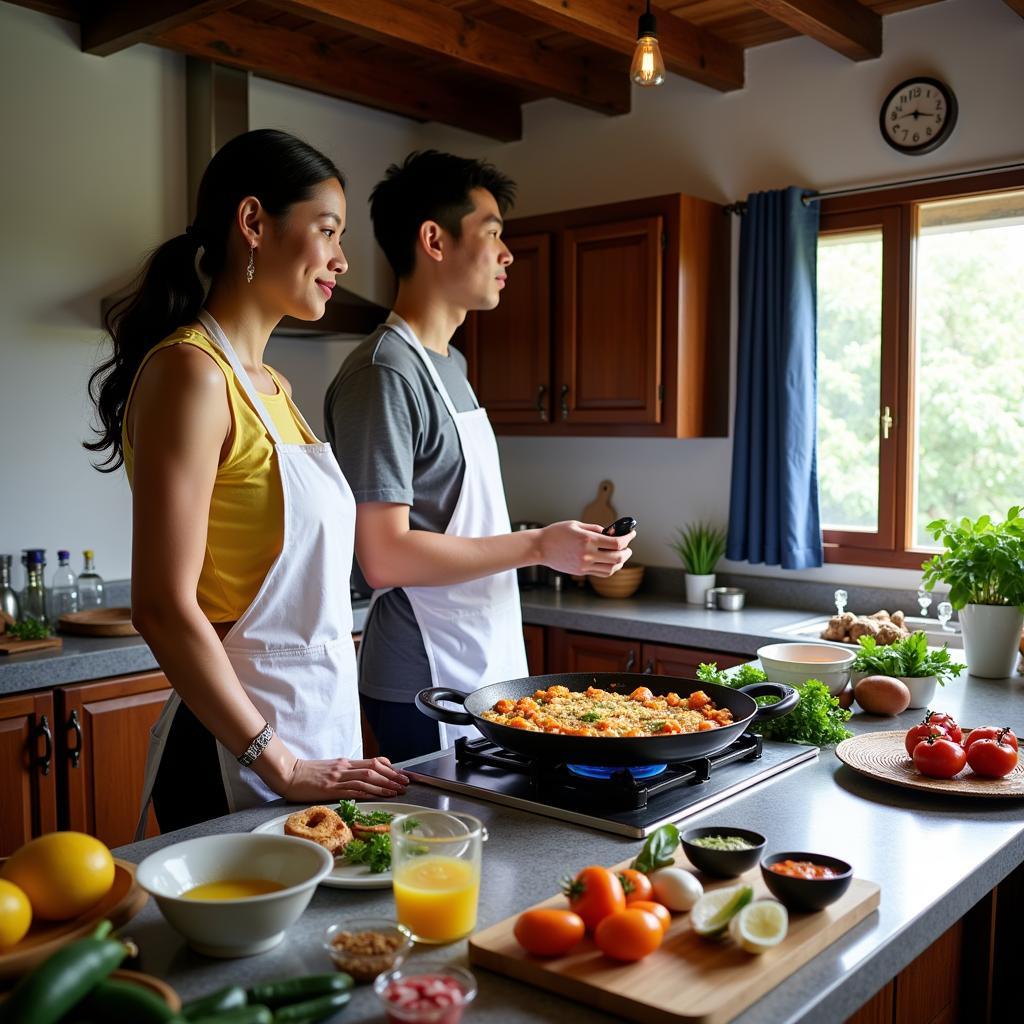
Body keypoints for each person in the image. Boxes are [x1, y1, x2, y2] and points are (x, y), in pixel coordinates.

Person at [85, 129, 408, 835]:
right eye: (327, 231)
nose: (342, 259)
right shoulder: (191, 374)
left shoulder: (274, 387)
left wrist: (307, 758)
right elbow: (163, 607)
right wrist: (279, 761)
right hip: (239, 755)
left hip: (316, 736)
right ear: (254, 223)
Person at [324, 150, 634, 762]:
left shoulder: (452, 366)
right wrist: (540, 545)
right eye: (492, 235)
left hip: (483, 660)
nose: (507, 254)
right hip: (422, 676)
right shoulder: (385, 373)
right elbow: (382, 556)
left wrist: (555, 546)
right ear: (434, 240)